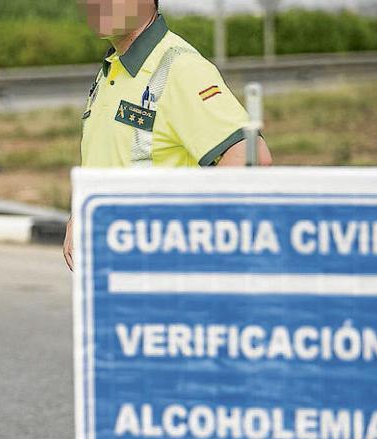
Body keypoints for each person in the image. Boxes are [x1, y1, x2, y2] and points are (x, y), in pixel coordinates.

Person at [63, 0, 273, 270]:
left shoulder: (180, 67)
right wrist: (81, 211)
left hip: (160, 280)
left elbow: (250, 159)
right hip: (115, 283)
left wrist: (176, 241)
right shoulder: (113, 68)